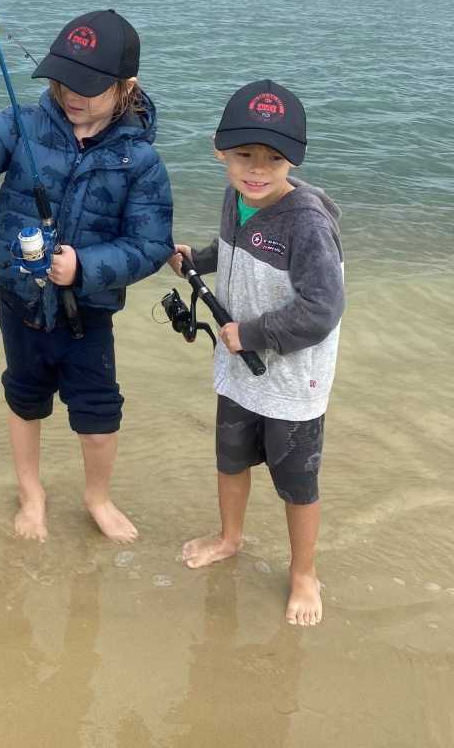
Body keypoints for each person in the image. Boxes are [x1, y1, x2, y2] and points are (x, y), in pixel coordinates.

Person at [0, 10, 174, 543]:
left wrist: (85, 267)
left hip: (86, 313)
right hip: (19, 299)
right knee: (24, 396)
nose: (72, 95)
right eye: (63, 80)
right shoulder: (22, 125)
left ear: (125, 86)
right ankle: (31, 495)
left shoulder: (141, 161)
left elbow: (150, 244)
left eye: (89, 87)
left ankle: (98, 497)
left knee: (98, 412)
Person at [172, 80, 344, 626]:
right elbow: (234, 253)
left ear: (294, 159)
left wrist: (252, 334)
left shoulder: (308, 222)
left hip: (293, 381)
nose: (257, 169)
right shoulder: (236, 196)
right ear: (219, 149)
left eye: (274, 159)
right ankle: (230, 538)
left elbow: (322, 309)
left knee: (297, 482)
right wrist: (195, 259)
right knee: (230, 458)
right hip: (239, 372)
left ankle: (302, 574)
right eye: (245, 154)